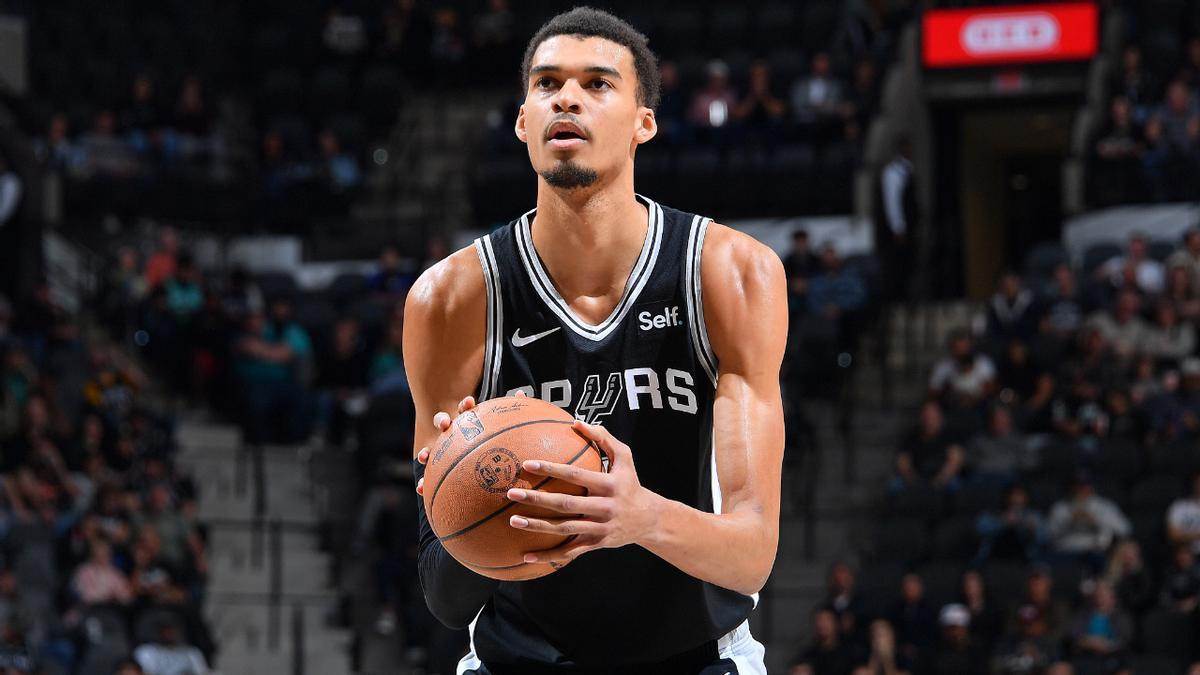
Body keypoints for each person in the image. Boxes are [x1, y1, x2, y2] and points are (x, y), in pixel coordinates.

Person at [403, 8, 785, 674]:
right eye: (547, 83)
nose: (568, 99)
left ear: (645, 123)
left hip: (696, 656)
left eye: (598, 83)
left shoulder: (728, 274)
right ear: (523, 122)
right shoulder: (452, 300)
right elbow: (444, 598)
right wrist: (469, 483)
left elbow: (751, 555)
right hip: (516, 660)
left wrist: (639, 517)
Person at [1047, 472, 1132, 570]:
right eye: (1078, 486)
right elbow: (1049, 536)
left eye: (1085, 486)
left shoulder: (1103, 506)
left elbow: (1125, 529)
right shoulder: (1060, 508)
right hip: (1065, 551)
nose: (1081, 489)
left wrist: (1095, 521)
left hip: (1095, 552)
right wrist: (1069, 521)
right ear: (1071, 487)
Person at [789, 609, 859, 675]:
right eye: (820, 620)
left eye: (827, 620)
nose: (822, 624)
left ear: (836, 623)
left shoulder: (850, 652)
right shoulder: (809, 654)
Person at [1168, 471, 1200, 555]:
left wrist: (1186, 535)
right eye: (1198, 483)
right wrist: (1196, 535)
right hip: (1188, 553)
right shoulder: (1180, 506)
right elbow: (1173, 535)